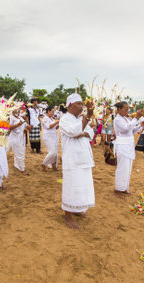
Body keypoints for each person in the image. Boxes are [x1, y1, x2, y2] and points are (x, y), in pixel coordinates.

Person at [59, 94, 95, 229]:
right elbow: (74, 132)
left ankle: (78, 208)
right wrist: (83, 126)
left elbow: (90, 133)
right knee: (71, 186)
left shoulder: (79, 119)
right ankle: (67, 215)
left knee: (82, 186)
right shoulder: (64, 120)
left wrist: (83, 131)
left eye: (82, 104)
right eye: (79, 104)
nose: (81, 107)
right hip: (72, 159)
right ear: (70, 105)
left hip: (84, 158)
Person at [113, 102, 143, 198]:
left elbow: (132, 130)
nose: (127, 111)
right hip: (122, 145)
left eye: (128, 109)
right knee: (122, 168)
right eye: (126, 109)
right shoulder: (117, 119)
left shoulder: (126, 118)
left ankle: (124, 188)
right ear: (119, 109)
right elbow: (126, 128)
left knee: (128, 168)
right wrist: (136, 118)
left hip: (129, 145)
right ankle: (118, 189)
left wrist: (141, 125)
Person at [9, 108, 29, 174]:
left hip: (22, 137)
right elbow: (9, 127)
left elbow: (25, 125)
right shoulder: (11, 117)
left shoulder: (20, 117)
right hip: (15, 137)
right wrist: (18, 125)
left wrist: (27, 127)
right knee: (19, 152)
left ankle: (17, 165)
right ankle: (22, 169)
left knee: (22, 152)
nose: (18, 110)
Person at [41, 106, 59, 171]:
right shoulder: (45, 118)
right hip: (48, 136)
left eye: (53, 112)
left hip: (54, 135)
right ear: (48, 111)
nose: (53, 113)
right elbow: (49, 126)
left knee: (56, 152)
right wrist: (56, 122)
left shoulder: (52, 119)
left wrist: (58, 124)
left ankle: (54, 165)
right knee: (52, 152)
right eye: (52, 111)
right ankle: (44, 164)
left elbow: (55, 127)